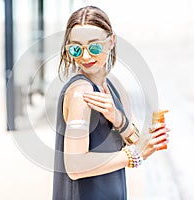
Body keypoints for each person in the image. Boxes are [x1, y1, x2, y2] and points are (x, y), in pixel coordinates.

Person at [52, 5, 170, 200]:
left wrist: (118, 119)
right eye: (76, 49)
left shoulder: (114, 85)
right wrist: (135, 154)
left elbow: (135, 139)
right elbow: (74, 166)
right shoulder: (81, 93)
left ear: (111, 41)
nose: (86, 56)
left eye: (94, 47)